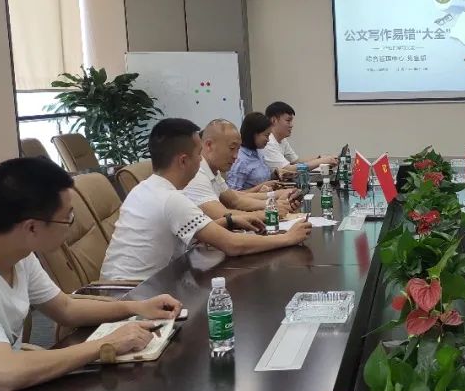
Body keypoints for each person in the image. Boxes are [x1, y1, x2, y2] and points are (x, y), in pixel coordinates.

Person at [0, 158, 183, 391]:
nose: (71, 224)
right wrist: (106, 344)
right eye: (67, 217)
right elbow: (5, 373)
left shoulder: (16, 251)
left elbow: (65, 308)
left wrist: (136, 307)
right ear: (32, 227)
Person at [101, 118, 312, 282]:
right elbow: (232, 245)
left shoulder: (146, 188)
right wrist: (288, 238)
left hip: (142, 286)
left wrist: (230, 220)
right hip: (136, 295)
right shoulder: (170, 199)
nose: (201, 160)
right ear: (183, 161)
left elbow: (195, 230)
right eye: (198, 154)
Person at [184, 119, 300, 223]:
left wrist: (274, 201)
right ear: (209, 145)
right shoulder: (196, 174)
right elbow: (222, 215)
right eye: (232, 148)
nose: (236, 156)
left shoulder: (213, 170)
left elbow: (236, 200)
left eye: (238, 149)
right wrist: (270, 211)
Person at [261, 101, 338, 177]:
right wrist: (321, 161)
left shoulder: (282, 140)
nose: (291, 125)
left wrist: (320, 158)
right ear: (274, 120)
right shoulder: (268, 142)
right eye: (288, 121)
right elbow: (287, 170)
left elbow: (296, 162)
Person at [227, 112, 280, 191]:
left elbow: (261, 179)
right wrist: (260, 188)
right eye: (266, 135)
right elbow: (233, 194)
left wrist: (276, 174)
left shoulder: (258, 152)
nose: (268, 140)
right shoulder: (240, 160)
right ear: (254, 134)